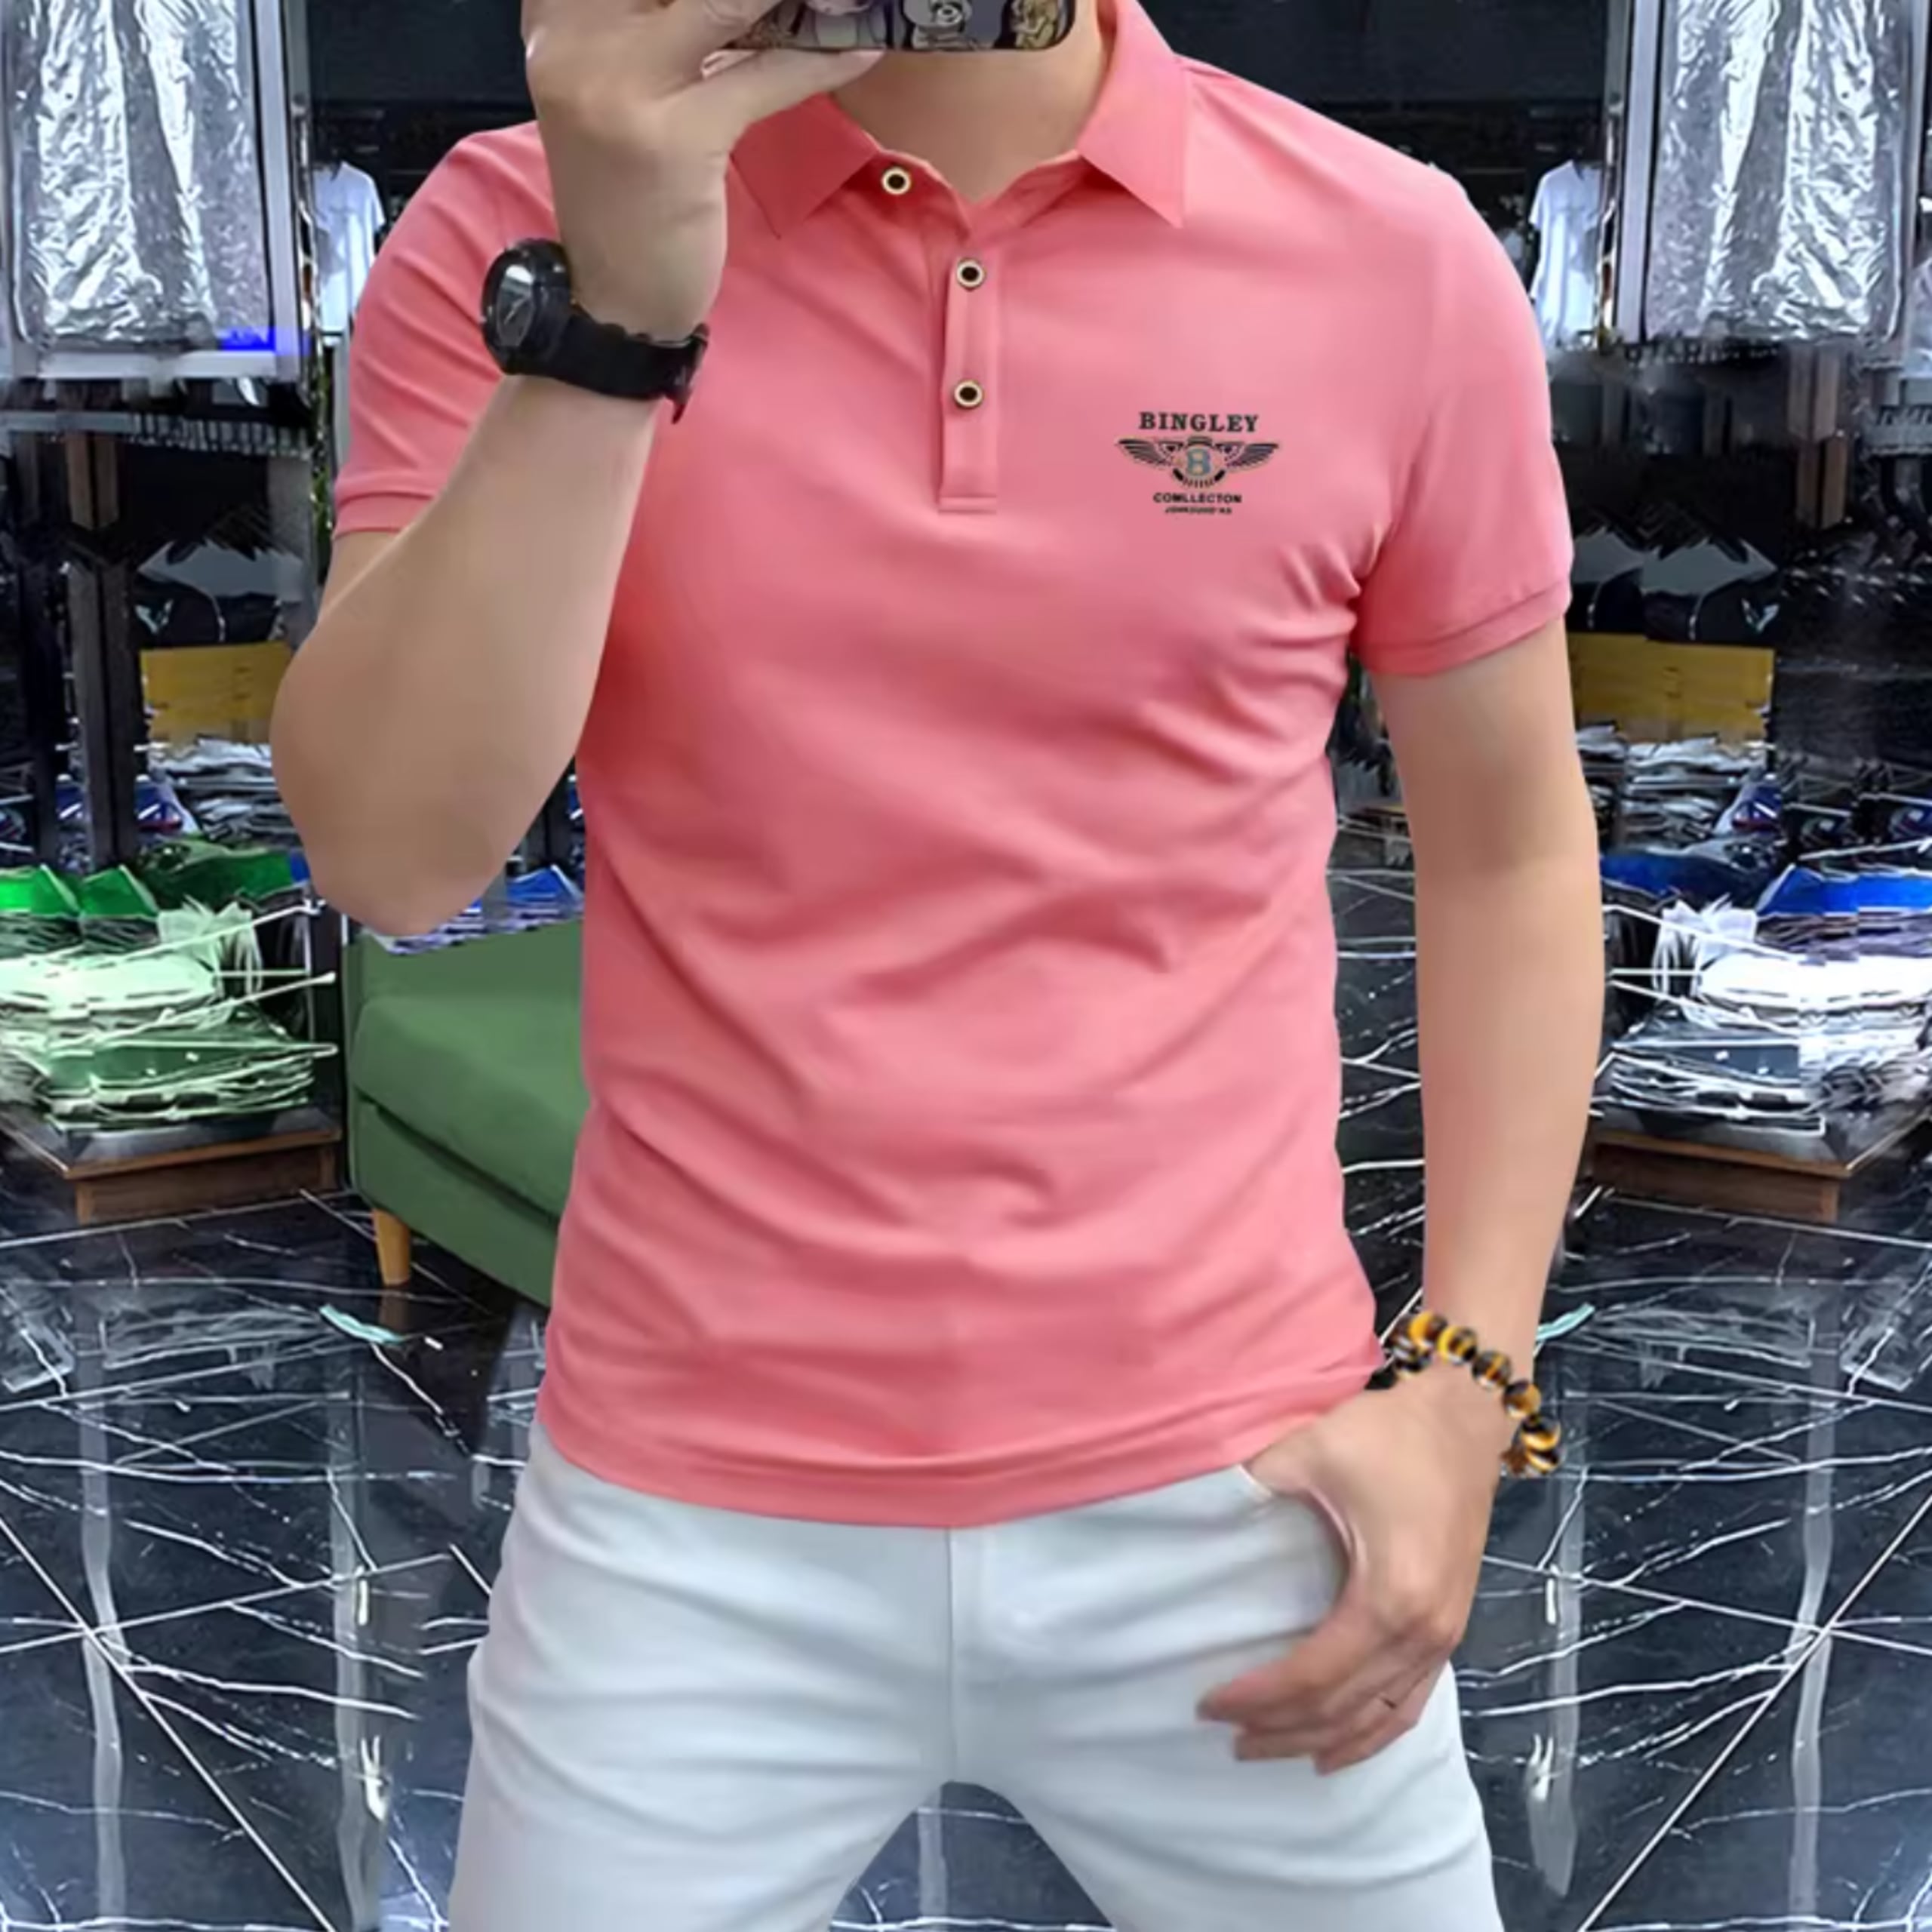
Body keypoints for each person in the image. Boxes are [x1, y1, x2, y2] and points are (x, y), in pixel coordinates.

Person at [271, 0, 1604, 1922]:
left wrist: (1467, 1380)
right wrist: (615, 313)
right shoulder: (518, 223)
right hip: (686, 1508)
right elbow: (394, 853)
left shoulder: (1386, 252)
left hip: (1244, 1480)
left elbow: (1508, 848)